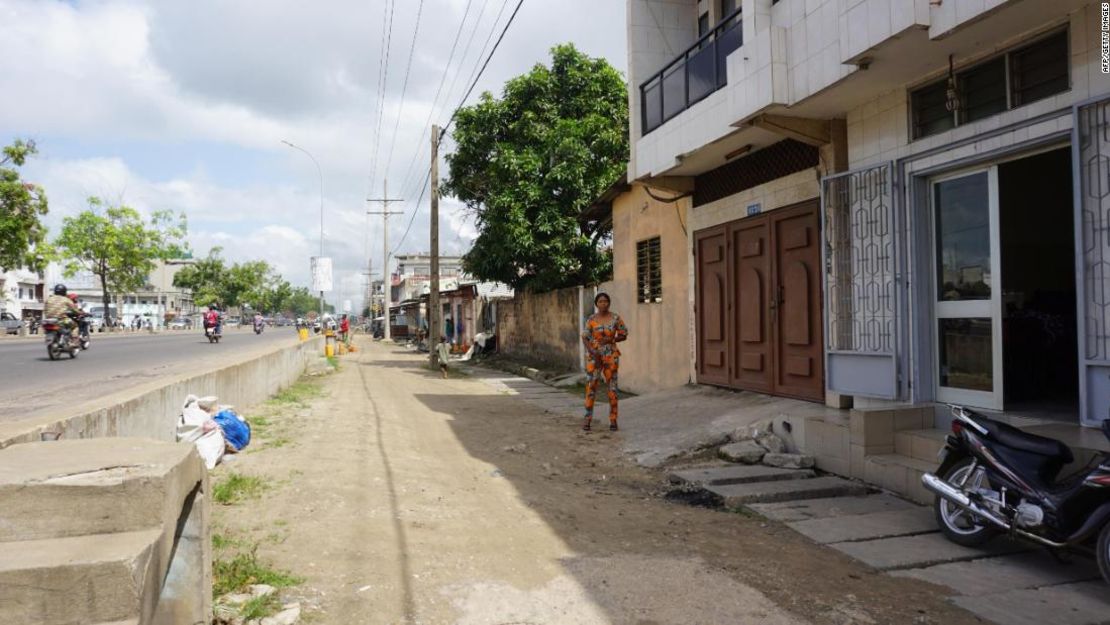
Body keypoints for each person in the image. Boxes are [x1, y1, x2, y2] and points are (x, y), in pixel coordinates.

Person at [580, 292, 628, 432]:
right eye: (600, 301)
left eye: (606, 301)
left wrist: (611, 339)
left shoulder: (615, 318)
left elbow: (624, 334)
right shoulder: (591, 319)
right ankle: (587, 419)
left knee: (612, 388)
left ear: (609, 303)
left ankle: (613, 420)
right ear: (596, 303)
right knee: (591, 387)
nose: (603, 303)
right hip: (594, 357)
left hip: (611, 356)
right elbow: (585, 337)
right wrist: (592, 351)